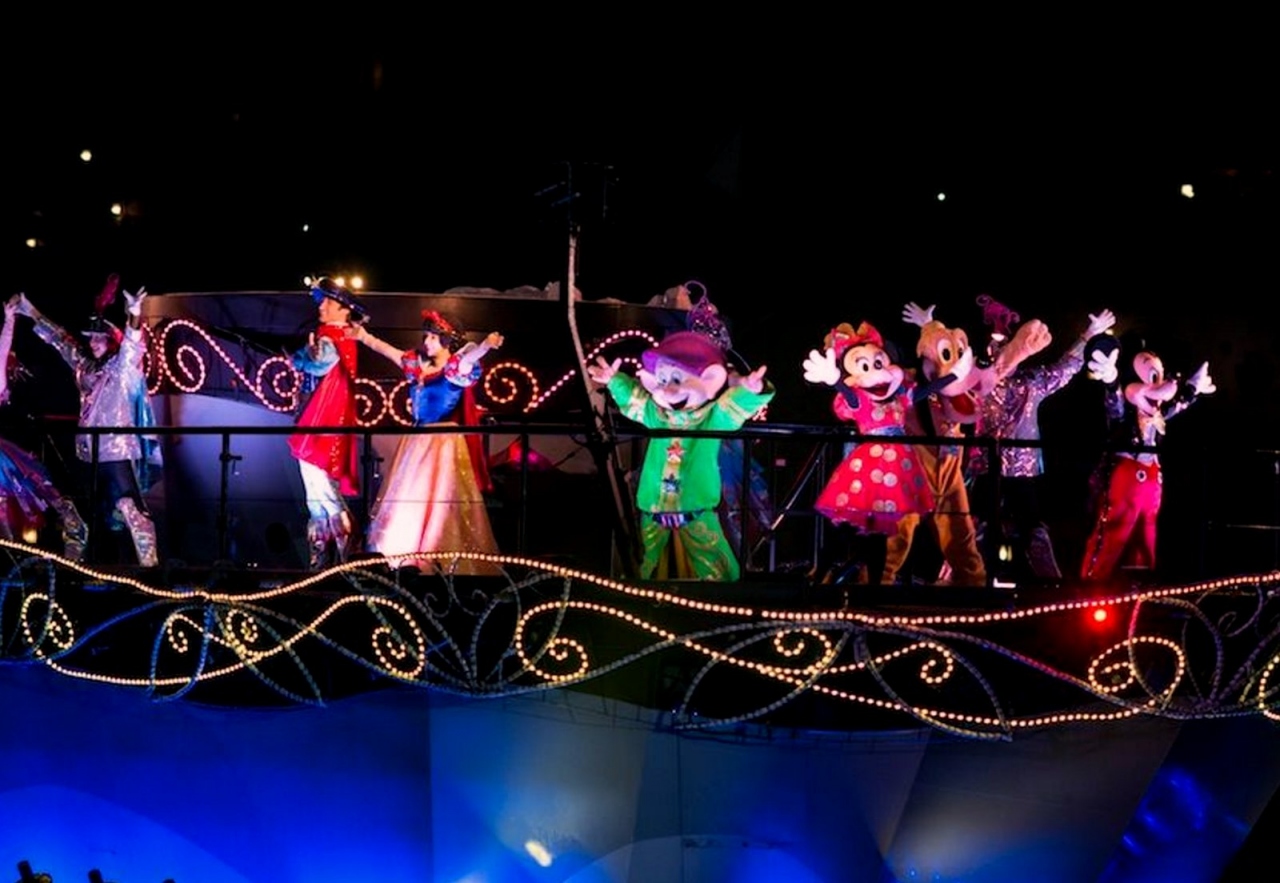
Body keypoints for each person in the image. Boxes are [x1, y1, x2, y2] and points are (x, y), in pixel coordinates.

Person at [587, 327, 774, 582]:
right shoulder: (657, 416)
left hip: (694, 508)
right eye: (663, 381)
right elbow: (636, 401)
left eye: (678, 380)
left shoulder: (710, 418)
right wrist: (615, 381)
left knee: (713, 562)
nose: (668, 390)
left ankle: (721, 598)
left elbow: (732, 408)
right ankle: (634, 595)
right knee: (641, 562)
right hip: (653, 508)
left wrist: (751, 390)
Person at [966, 295, 1117, 583]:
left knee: (1030, 527)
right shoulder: (977, 385)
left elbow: (1065, 368)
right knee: (974, 525)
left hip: (1020, 470)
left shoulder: (1029, 383)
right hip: (986, 467)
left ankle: (1051, 583)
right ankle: (962, 578)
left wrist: (1088, 336)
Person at [15, 277, 161, 567]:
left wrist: (134, 314)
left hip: (115, 450)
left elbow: (133, 346)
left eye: (98, 338)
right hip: (87, 450)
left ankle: (150, 568)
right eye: (90, 337)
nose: (92, 342)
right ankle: (80, 564)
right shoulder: (85, 368)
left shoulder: (120, 369)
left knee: (130, 507)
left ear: (110, 340)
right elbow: (60, 340)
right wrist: (30, 311)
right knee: (80, 506)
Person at [354, 310, 504, 575]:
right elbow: (387, 351)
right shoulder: (415, 365)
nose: (427, 342)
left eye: (433, 338)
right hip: (416, 440)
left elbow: (469, 359)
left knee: (440, 499)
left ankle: (438, 559)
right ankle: (404, 557)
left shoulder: (455, 369)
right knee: (410, 498)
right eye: (426, 336)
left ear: (446, 341)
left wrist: (484, 346)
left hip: (443, 443)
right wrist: (363, 336)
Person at [288, 277, 369, 570]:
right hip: (318, 418)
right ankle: (326, 555)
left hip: (323, 420)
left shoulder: (334, 337)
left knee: (321, 487)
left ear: (343, 309)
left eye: (328, 302)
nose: (321, 307)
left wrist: (301, 358)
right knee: (315, 491)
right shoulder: (333, 336)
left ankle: (345, 552)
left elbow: (318, 363)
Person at [0, 295, 88, 559]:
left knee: (35, 486)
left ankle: (72, 526)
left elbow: (2, 354)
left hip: (14, 447)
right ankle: (11, 556)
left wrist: (8, 322)